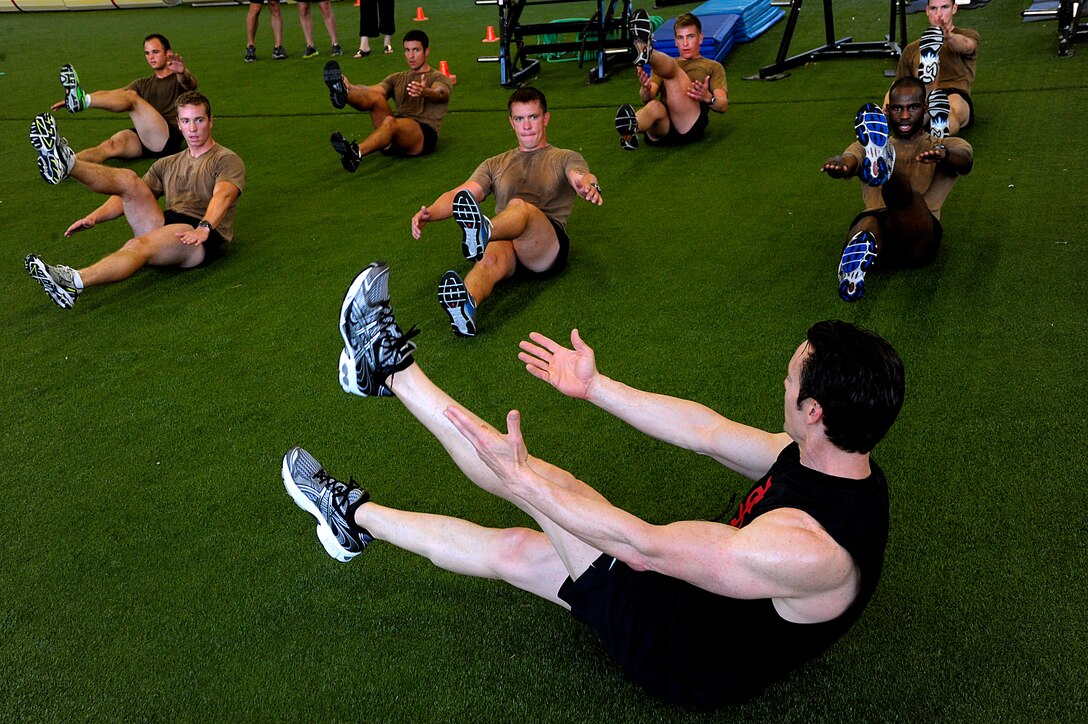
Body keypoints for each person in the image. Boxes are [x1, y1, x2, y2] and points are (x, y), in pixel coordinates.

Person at [281, 260, 905, 708]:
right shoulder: (832, 457)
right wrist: (596, 388)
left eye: (793, 379)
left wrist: (526, 482)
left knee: (534, 478)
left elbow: (642, 547)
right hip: (696, 600)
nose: (784, 384)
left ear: (816, 409)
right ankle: (353, 518)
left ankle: (388, 367)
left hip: (675, 649)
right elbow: (707, 432)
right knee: (515, 550)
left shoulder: (807, 550)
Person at [410, 87, 602, 337]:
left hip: (545, 246)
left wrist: (588, 184)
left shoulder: (563, 157)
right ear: (511, 122)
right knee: (487, 259)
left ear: (546, 118)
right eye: (520, 119)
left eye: (533, 117)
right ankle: (465, 307)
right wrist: (430, 213)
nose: (527, 126)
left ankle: (482, 231)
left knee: (518, 207)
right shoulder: (495, 163)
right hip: (506, 241)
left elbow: (580, 175)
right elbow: (463, 193)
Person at [25, 92, 245, 310]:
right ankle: (70, 164)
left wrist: (204, 228)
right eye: (186, 121)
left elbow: (224, 195)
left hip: (197, 234)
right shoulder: (167, 163)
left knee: (137, 246)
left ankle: (74, 282)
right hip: (164, 223)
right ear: (178, 124)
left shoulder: (226, 159)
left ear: (210, 121)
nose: (193, 128)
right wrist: (94, 217)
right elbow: (129, 195)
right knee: (130, 180)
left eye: (199, 120)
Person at [821, 77, 973, 302]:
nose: (904, 116)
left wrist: (945, 155)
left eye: (912, 107)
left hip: (918, 234)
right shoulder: (867, 145)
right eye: (897, 108)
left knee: (905, 198)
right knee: (870, 222)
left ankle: (887, 170)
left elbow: (965, 161)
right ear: (887, 109)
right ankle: (856, 262)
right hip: (881, 234)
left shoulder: (941, 145)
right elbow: (848, 160)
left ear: (925, 108)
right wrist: (838, 165)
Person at [53, 35, 197, 164]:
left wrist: (182, 72)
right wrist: (79, 99)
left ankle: (82, 100)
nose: (151, 57)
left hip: (167, 139)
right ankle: (65, 163)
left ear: (168, 53)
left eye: (155, 52)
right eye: (147, 53)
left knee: (131, 97)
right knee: (110, 145)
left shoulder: (178, 77)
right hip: (145, 137)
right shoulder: (143, 83)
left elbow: (189, 82)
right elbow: (112, 94)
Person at [323, 30, 451, 172]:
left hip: (422, 136)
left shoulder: (437, 77)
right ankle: (343, 93)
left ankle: (355, 152)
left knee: (390, 122)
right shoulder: (398, 77)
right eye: (407, 50)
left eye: (416, 50)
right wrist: (350, 86)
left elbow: (441, 93)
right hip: (396, 131)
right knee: (377, 98)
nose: (411, 56)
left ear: (426, 51)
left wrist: (426, 92)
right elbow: (372, 90)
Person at [614, 11, 727, 151]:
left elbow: (722, 105)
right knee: (654, 105)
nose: (685, 43)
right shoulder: (663, 66)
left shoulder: (713, 67)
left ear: (701, 38)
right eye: (680, 38)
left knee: (672, 72)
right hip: (663, 126)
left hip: (689, 123)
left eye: (690, 37)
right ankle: (630, 130)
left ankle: (647, 52)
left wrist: (708, 97)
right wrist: (646, 88)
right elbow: (647, 98)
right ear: (675, 41)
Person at [893, 0, 980, 137]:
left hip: (955, 93)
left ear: (954, 9)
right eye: (934, 8)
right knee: (905, 102)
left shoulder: (966, 36)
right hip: (921, 98)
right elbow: (897, 86)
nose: (939, 14)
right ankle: (928, 87)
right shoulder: (911, 49)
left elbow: (967, 46)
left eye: (944, 7)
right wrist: (887, 106)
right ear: (927, 11)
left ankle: (938, 126)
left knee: (952, 105)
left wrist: (948, 36)